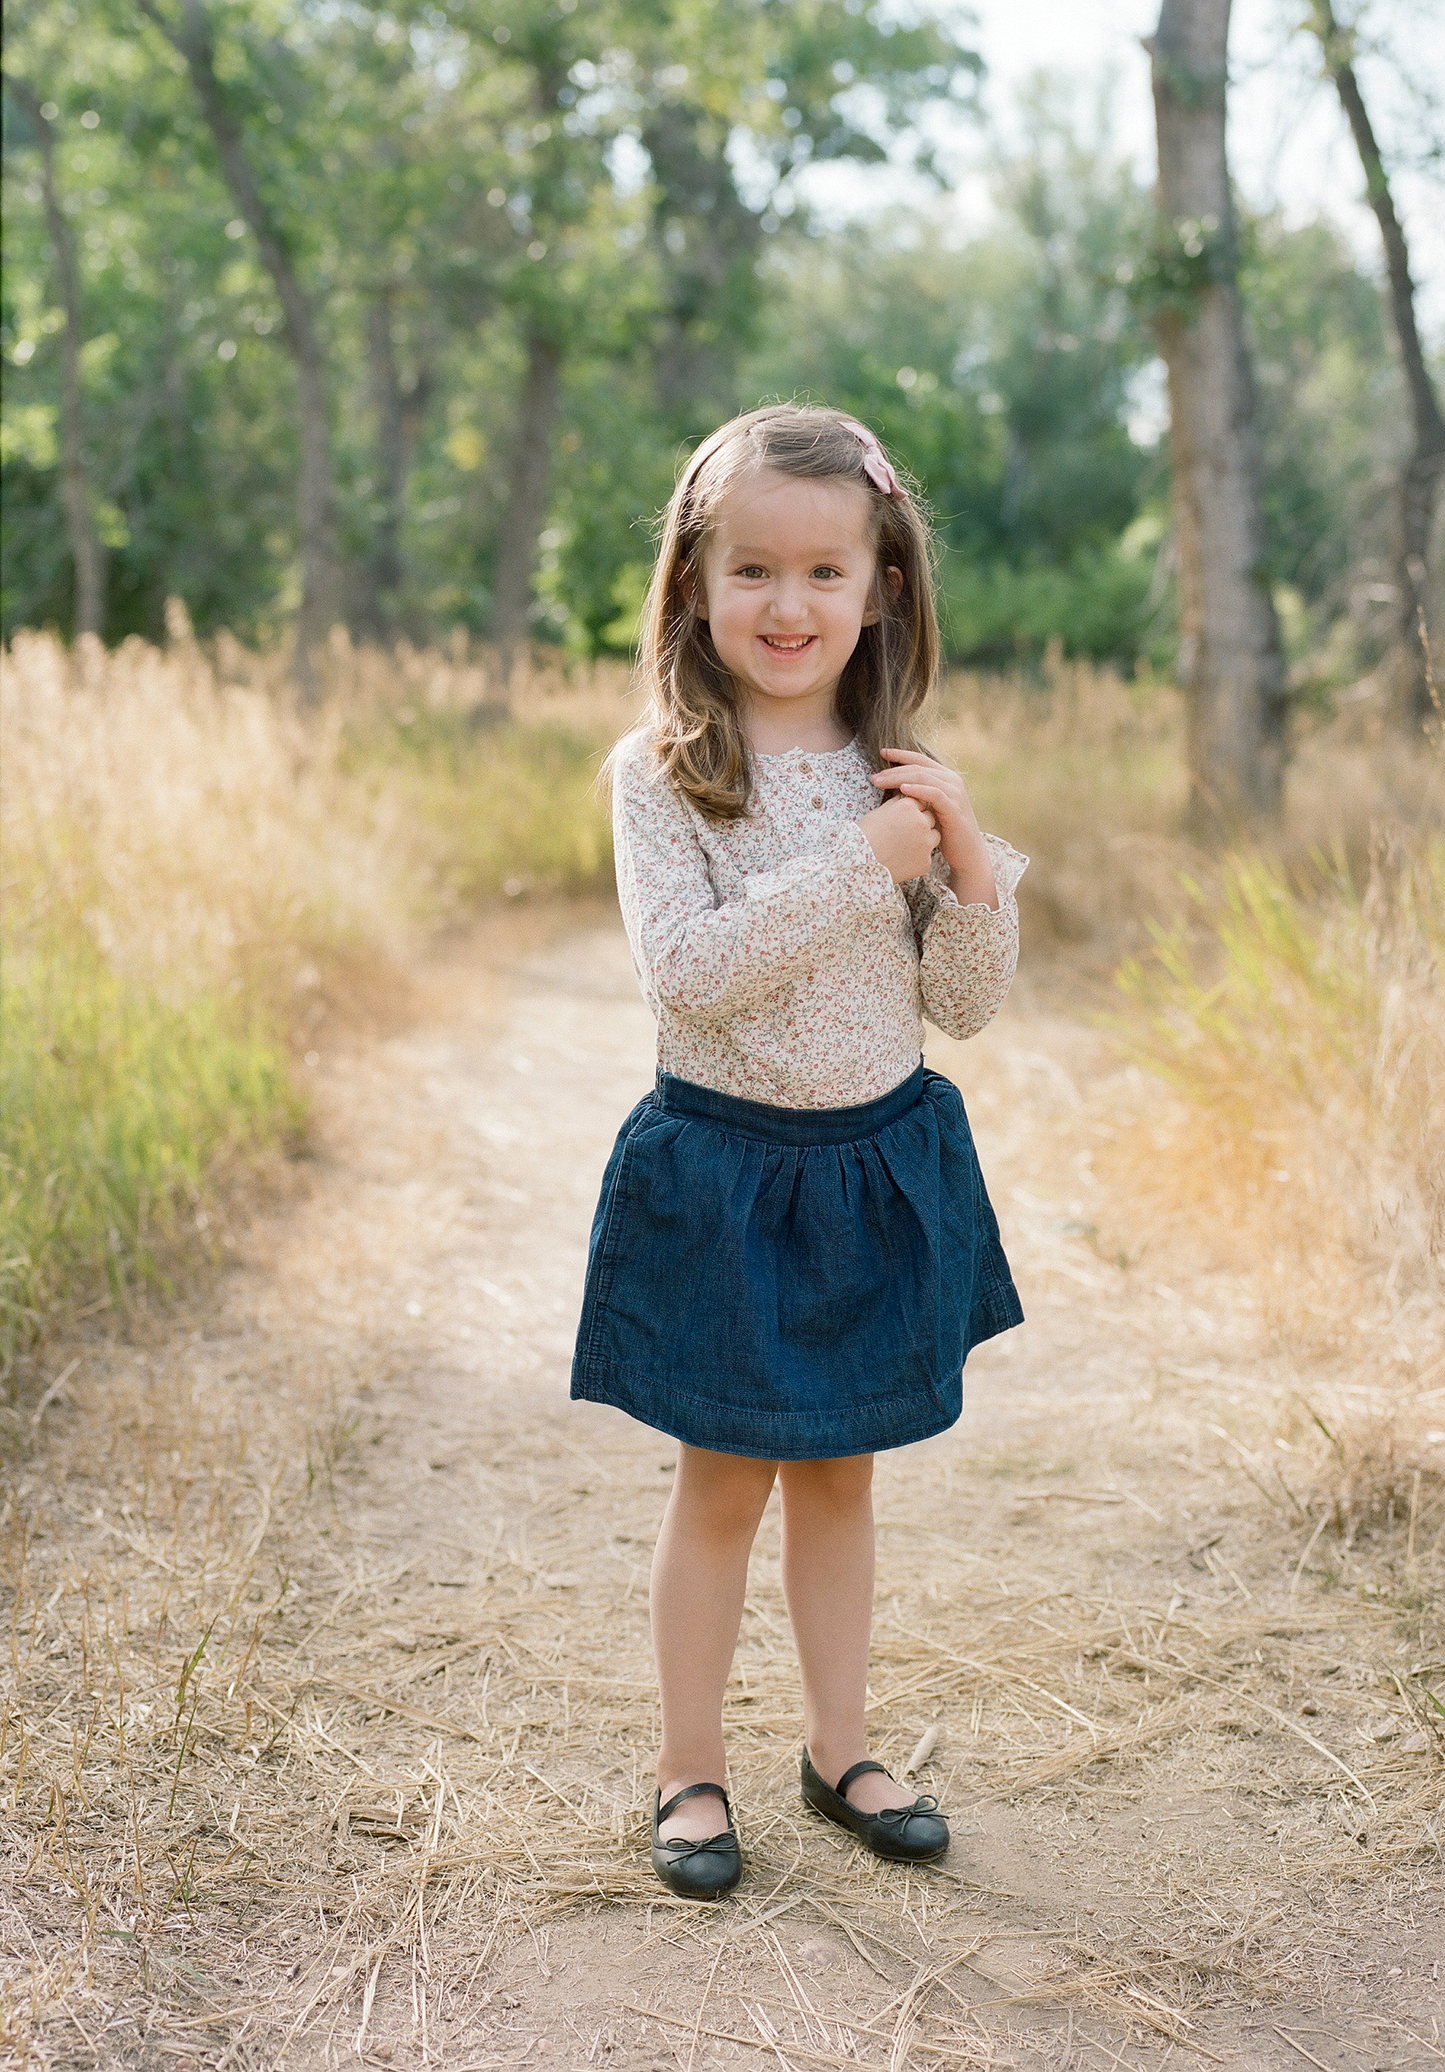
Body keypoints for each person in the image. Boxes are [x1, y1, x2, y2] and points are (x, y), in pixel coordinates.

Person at [570, 403, 1027, 1898]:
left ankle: (843, 1750)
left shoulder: (900, 770)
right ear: (695, 584)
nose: (789, 605)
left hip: (873, 1171)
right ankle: (687, 1772)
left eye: (826, 573)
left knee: (842, 1481)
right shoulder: (662, 774)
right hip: (727, 1175)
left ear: (882, 583)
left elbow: (962, 1007)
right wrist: (867, 863)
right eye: (754, 570)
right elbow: (691, 976)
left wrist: (962, 861)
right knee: (723, 1485)